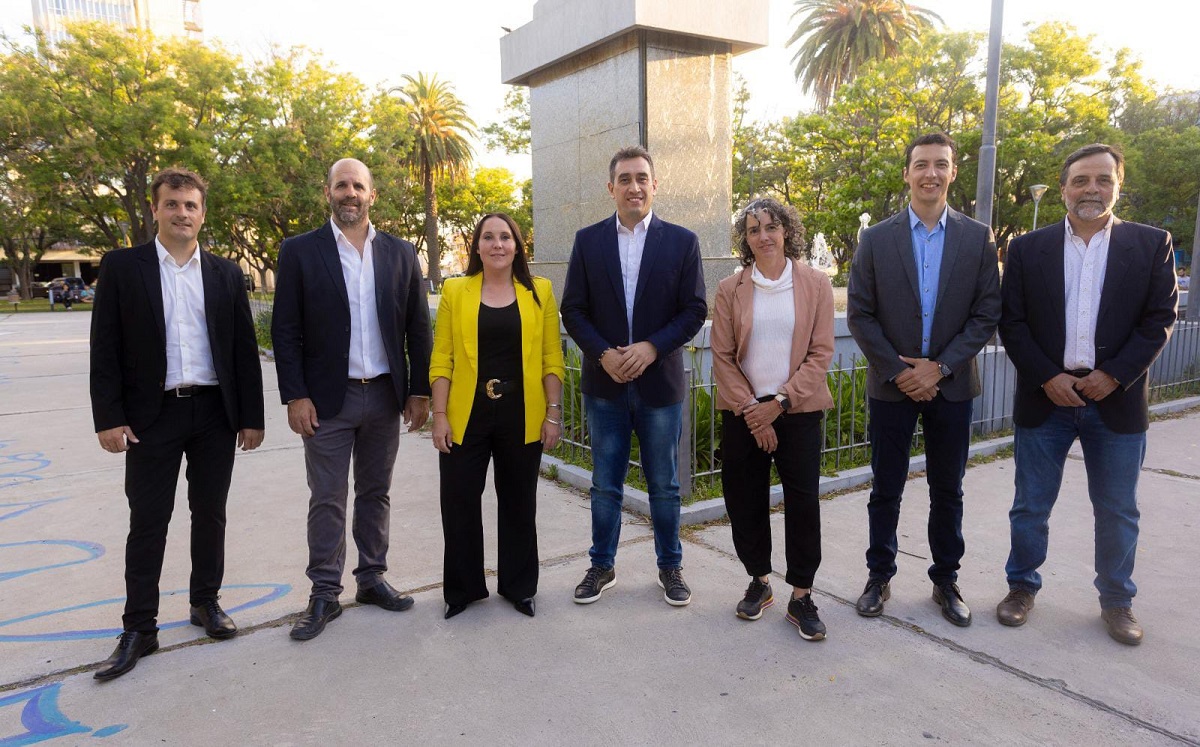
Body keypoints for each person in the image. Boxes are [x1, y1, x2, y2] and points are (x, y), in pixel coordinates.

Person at [996, 143, 1178, 645]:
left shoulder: (1150, 243)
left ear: (1118, 186)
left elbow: (1159, 320)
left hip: (1115, 401)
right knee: (1030, 504)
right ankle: (1021, 586)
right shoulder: (1028, 249)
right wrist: (1046, 377)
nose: (1091, 189)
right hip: (1045, 399)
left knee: (1118, 507)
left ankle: (1117, 601)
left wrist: (1114, 375)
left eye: (1102, 180)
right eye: (1080, 181)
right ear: (1063, 190)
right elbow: (1012, 322)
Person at [89, 166, 265, 681]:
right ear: (155, 209)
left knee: (210, 514)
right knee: (148, 522)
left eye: (190, 205)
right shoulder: (123, 267)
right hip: (151, 416)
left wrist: (250, 417)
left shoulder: (226, 273)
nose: (182, 213)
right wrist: (109, 417)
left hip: (214, 412)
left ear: (201, 213)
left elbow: (242, 352)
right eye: (172, 204)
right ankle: (139, 627)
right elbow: (105, 349)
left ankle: (204, 603)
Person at [272, 158, 432, 641]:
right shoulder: (300, 251)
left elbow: (417, 329)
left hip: (384, 395)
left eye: (358, 185)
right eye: (341, 185)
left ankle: (371, 578)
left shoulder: (402, 254)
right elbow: (286, 330)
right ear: (328, 192)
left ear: (372, 195)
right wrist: (295, 395)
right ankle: (324, 592)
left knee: (375, 492)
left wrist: (419, 390)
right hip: (327, 398)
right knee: (327, 496)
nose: (350, 193)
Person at [846, 132, 1001, 627]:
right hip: (892, 387)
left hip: (952, 386)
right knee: (885, 487)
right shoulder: (875, 239)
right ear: (908, 173)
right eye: (921, 165)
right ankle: (879, 576)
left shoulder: (978, 238)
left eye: (940, 164)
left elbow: (986, 313)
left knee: (948, 489)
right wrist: (900, 370)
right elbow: (860, 315)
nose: (930, 173)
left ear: (953, 172)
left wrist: (941, 366)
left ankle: (945, 579)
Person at [560, 145, 708, 607]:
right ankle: (601, 565)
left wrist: (651, 347)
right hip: (605, 386)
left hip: (659, 385)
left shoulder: (682, 242)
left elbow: (695, 309)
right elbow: (574, 309)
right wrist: (603, 353)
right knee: (605, 481)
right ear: (612, 188)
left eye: (642, 177)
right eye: (624, 179)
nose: (634, 186)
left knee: (664, 483)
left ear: (654, 185)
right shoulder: (587, 241)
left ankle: (671, 567)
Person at [711, 198, 835, 641]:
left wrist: (779, 404)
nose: (763, 235)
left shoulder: (815, 284)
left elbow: (821, 353)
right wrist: (753, 412)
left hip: (797, 411)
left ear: (787, 231)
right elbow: (723, 357)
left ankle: (801, 595)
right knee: (744, 499)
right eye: (753, 229)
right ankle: (759, 581)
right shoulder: (731, 289)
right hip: (745, 413)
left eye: (771, 226)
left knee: (803, 504)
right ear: (745, 240)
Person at [430, 213, 565, 620]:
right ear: (476, 246)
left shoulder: (539, 291)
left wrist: (553, 414)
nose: (497, 244)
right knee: (458, 502)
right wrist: (439, 414)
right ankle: (463, 589)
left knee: (519, 503)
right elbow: (443, 357)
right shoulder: (456, 291)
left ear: (517, 245)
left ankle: (519, 587)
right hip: (465, 414)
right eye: (488, 237)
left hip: (522, 413)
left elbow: (550, 358)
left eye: (506, 237)